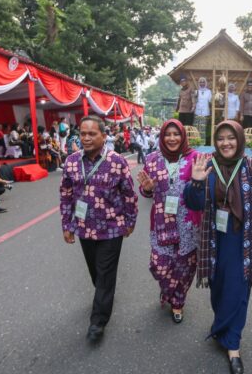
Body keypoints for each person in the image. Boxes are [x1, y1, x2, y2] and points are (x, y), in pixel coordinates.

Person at [184, 121, 252, 374]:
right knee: (218, 286)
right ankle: (221, 324)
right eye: (220, 138)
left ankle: (233, 345)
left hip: (242, 240)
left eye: (231, 138)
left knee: (238, 289)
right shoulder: (206, 165)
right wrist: (197, 183)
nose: (225, 143)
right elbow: (193, 203)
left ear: (240, 139)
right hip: (213, 240)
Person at [60, 115, 138, 343]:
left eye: (92, 134)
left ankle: (98, 321)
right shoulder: (72, 161)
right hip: (84, 227)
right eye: (83, 133)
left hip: (112, 228)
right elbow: (65, 195)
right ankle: (103, 295)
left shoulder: (117, 161)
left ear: (104, 136)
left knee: (105, 273)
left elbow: (129, 194)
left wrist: (130, 221)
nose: (86, 138)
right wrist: (67, 225)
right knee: (96, 272)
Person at [136, 119, 200, 323]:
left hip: (188, 224)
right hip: (161, 222)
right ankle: (168, 289)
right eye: (167, 134)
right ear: (162, 137)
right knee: (159, 265)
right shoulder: (152, 158)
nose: (172, 138)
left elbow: (203, 192)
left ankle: (178, 302)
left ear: (183, 136)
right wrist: (146, 189)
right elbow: (146, 191)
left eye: (176, 134)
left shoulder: (195, 158)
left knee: (185, 267)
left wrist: (199, 182)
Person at [193, 77, 212, 145]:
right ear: (199, 83)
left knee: (203, 129)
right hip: (197, 112)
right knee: (197, 128)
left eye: (203, 82)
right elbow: (194, 101)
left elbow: (210, 101)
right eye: (200, 82)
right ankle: (196, 143)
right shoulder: (196, 91)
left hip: (205, 112)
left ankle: (202, 144)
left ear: (206, 83)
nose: (202, 83)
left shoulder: (209, 92)